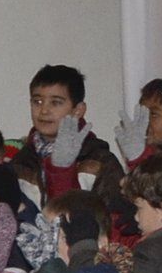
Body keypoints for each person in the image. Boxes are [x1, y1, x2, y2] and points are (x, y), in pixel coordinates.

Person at [14, 63, 124, 206]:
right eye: (37, 101)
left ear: (78, 110)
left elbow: (115, 215)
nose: (44, 110)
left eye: (55, 102)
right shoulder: (19, 163)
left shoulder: (99, 161)